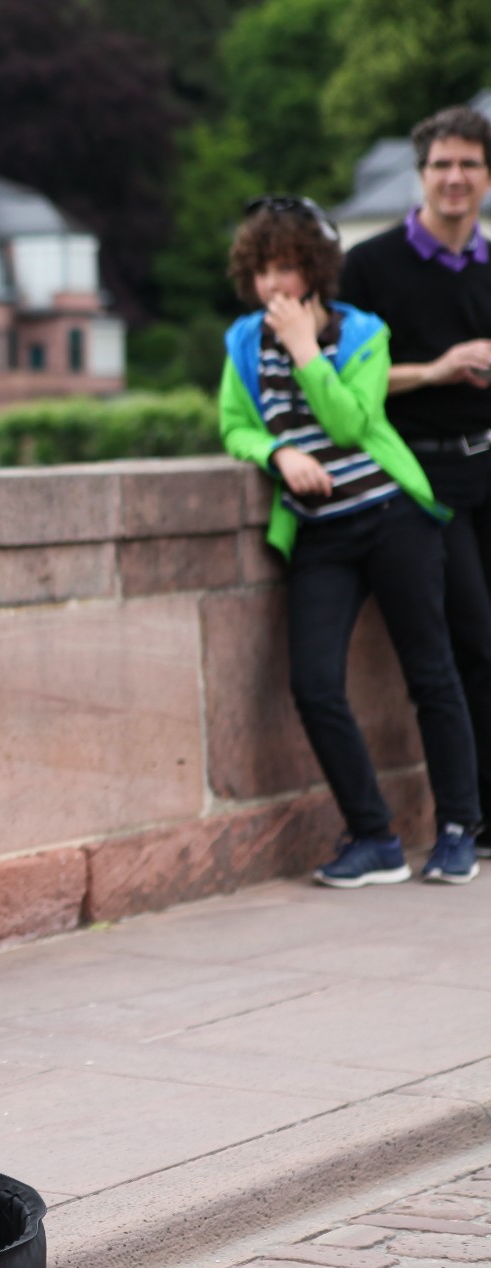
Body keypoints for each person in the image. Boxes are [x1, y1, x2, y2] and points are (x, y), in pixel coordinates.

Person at [219, 195, 481, 886]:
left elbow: (349, 422)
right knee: (313, 682)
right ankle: (374, 836)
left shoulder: (365, 334)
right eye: (262, 271)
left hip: (394, 517)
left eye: (288, 268)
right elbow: (232, 424)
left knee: (432, 672)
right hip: (319, 534)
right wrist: (276, 454)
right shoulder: (243, 343)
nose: (274, 286)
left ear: (315, 271)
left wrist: (307, 352)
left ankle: (458, 827)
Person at [338, 105, 491, 854]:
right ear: (420, 174)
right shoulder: (369, 266)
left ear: (487, 177)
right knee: (472, 639)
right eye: (441, 166)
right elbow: (340, 385)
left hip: (488, 459)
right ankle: (472, 815)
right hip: (420, 472)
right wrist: (436, 368)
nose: (454, 178)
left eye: (468, 164)